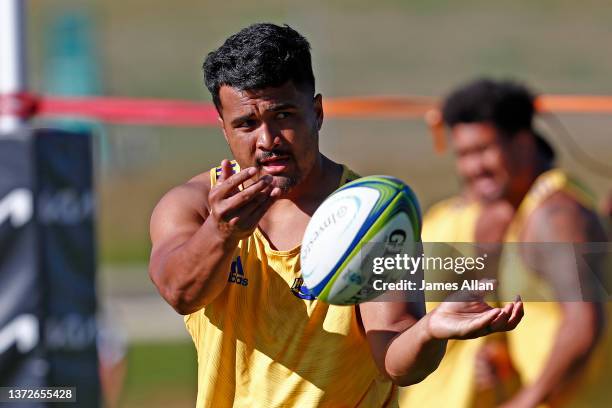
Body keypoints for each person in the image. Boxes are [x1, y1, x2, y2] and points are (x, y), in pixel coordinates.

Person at [148, 24, 523, 407]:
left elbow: (396, 357)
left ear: (317, 112)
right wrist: (222, 232)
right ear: (224, 129)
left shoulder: (373, 216)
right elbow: (181, 293)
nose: (267, 140)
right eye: (247, 124)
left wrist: (430, 331)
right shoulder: (192, 205)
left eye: (284, 115)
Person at [439, 78, 610, 407]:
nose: (474, 168)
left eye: (484, 150)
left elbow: (583, 325)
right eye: (463, 154)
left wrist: (526, 401)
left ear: (523, 142)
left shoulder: (556, 215)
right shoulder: (525, 211)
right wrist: (503, 356)